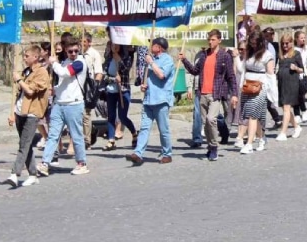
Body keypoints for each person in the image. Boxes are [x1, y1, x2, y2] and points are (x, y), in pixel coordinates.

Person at [180, 29, 238, 161]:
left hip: (215, 94)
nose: (210, 42)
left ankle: (214, 146)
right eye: (209, 40)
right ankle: (210, 147)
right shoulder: (204, 55)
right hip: (202, 93)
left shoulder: (224, 56)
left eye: (213, 40)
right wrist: (184, 60)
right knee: (206, 123)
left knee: (211, 119)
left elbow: (231, 77)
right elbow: (195, 71)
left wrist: (234, 94)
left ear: (219, 40)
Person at [37, 36, 90, 176]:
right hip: (59, 104)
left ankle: (82, 163)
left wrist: (54, 63)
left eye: (76, 51)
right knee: (53, 135)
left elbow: (65, 73)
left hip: (74, 104)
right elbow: (63, 81)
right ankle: (45, 163)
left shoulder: (80, 63)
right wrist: (56, 89)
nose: (73, 53)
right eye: (70, 51)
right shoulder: (65, 62)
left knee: (76, 135)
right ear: (66, 50)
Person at [5, 44, 50, 187]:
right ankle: (32, 174)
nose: (24, 58)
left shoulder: (42, 72)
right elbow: (18, 94)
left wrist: (19, 80)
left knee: (23, 145)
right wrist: (12, 113)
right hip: (20, 112)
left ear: (35, 57)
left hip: (32, 112)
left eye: (27, 56)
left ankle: (15, 173)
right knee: (27, 144)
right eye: (24, 56)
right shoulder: (26, 71)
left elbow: (30, 91)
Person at [125, 37, 175, 165]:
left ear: (159, 47)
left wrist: (151, 62)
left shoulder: (167, 60)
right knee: (144, 128)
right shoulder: (150, 60)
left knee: (163, 130)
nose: (150, 46)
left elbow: (162, 75)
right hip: (148, 100)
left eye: (152, 44)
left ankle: (167, 154)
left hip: (161, 100)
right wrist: (144, 86)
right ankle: (138, 153)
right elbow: (148, 79)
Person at [238, 29, 275, 155]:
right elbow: (242, 69)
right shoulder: (248, 53)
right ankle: (262, 137)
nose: (253, 45)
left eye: (255, 43)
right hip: (247, 86)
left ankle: (249, 144)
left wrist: (272, 94)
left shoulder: (267, 55)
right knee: (252, 116)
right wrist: (235, 58)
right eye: (251, 43)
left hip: (260, 87)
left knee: (252, 115)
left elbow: (270, 75)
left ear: (260, 42)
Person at [102, 43, 138, 151]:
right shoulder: (108, 59)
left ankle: (134, 133)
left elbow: (126, 69)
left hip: (123, 90)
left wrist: (119, 59)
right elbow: (104, 75)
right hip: (111, 90)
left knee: (122, 116)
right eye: (113, 45)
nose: (115, 47)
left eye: (117, 45)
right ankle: (111, 140)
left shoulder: (127, 57)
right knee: (111, 116)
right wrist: (113, 79)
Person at [275, 32, 304, 140]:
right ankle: (297, 127)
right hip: (282, 83)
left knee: (287, 107)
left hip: (292, 84)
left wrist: (296, 68)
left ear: (291, 43)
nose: (285, 45)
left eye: (287, 43)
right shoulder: (280, 55)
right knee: (284, 107)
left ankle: (283, 132)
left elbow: (302, 69)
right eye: (283, 43)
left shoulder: (296, 54)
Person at [81, 32, 103, 151]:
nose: (81, 44)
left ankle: (87, 141)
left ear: (89, 42)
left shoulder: (94, 54)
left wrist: (94, 89)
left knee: (86, 114)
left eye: (84, 41)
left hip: (89, 87)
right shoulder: (77, 53)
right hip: (77, 86)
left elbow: (98, 72)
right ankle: (91, 130)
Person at [293, 30, 307, 123]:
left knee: (300, 94)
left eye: (304, 38)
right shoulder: (293, 49)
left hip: (303, 74)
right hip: (294, 74)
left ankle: (303, 110)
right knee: (295, 94)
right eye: (301, 38)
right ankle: (297, 114)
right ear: (296, 39)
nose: (303, 39)